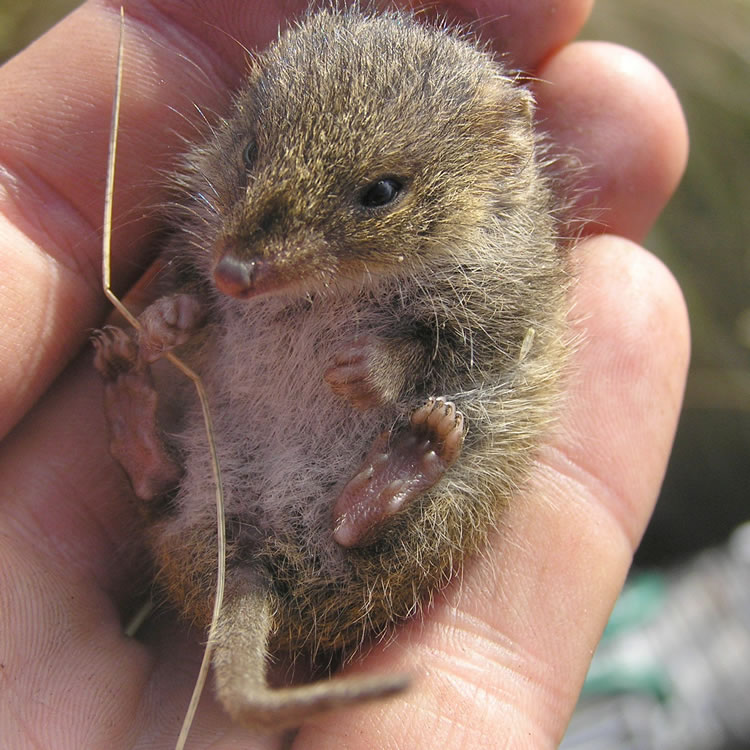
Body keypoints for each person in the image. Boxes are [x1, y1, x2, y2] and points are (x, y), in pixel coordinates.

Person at [0, 1, 689, 747]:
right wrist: (180, 313)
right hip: (228, 497)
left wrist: (396, 363)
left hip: (330, 553)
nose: (243, 263)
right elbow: (209, 285)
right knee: (204, 459)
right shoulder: (233, 204)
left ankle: (329, 496)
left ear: (503, 161)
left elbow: (475, 351)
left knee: (471, 428)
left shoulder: (488, 265)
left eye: (377, 197)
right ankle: (186, 470)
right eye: (256, 154)